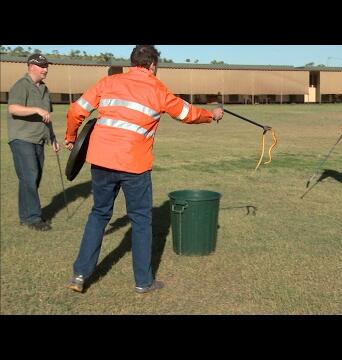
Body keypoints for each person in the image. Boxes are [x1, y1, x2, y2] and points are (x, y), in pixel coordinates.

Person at [64, 45, 224, 294]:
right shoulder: (158, 89)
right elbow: (187, 113)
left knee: (98, 214)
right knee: (140, 220)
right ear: (152, 65)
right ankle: (143, 282)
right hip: (134, 165)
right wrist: (211, 116)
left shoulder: (109, 82)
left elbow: (76, 110)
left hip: (101, 160)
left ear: (132, 63)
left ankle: (80, 275)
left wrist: (71, 136)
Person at [7, 53, 60, 231]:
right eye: (42, 66)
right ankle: (34, 218)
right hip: (22, 138)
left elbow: (47, 116)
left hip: (39, 139)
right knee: (29, 176)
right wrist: (36, 109)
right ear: (31, 66)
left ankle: (26, 215)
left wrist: (52, 137)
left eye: (47, 66)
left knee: (32, 178)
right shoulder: (21, 85)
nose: (46, 69)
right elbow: (13, 108)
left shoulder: (45, 89)